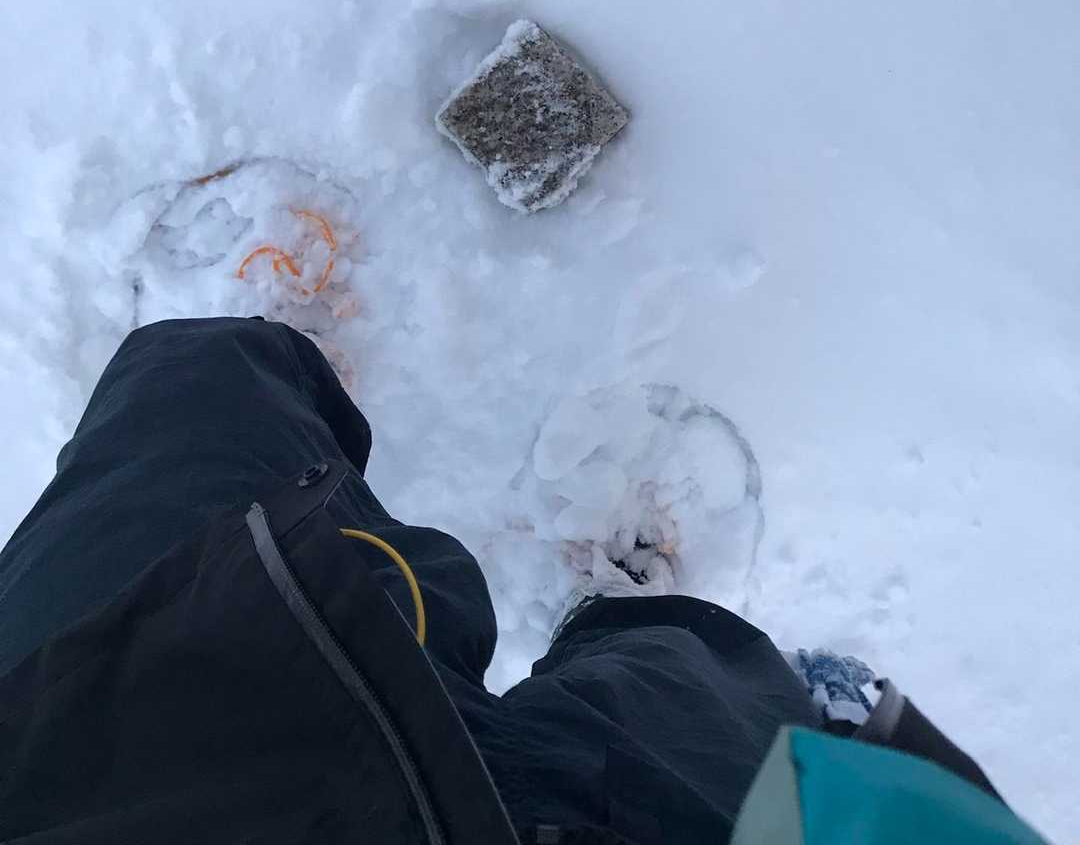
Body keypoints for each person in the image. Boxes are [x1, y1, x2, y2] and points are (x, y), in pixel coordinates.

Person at [0, 317, 1043, 844]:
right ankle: (627, 613)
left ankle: (297, 403)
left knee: (197, 393)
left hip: (114, 762)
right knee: (686, 684)